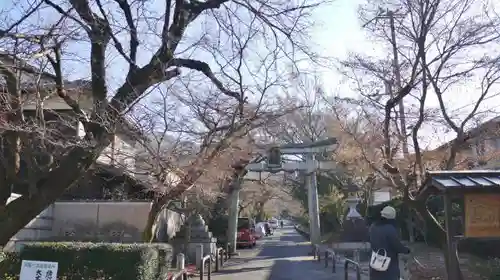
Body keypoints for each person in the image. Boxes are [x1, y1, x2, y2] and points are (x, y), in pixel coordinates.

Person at [369, 206, 410, 280]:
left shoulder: (373, 226)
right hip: (388, 265)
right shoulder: (390, 229)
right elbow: (396, 245)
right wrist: (406, 250)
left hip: (375, 262)